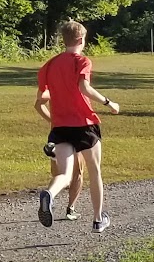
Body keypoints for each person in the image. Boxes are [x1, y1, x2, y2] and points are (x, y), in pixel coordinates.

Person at [35, 20, 120, 232]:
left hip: (60, 128)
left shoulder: (49, 65)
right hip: (84, 124)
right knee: (95, 171)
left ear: (63, 40)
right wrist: (109, 103)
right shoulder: (82, 61)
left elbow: (40, 99)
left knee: (64, 174)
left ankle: (50, 195)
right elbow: (84, 87)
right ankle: (99, 219)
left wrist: (54, 117)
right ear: (81, 40)